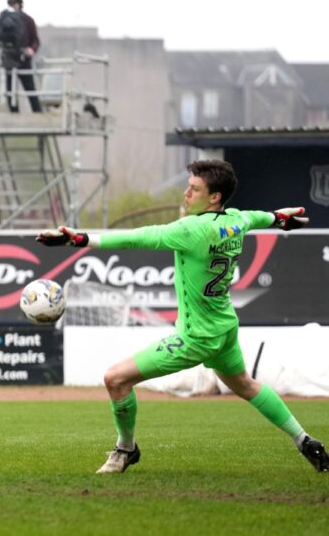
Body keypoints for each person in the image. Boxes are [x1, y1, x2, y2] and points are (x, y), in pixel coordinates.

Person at [36, 159, 329, 474]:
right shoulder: (236, 220)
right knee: (245, 384)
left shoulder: (191, 230)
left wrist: (77, 239)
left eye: (195, 189)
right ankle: (305, 441)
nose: (186, 194)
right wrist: (278, 218)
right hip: (225, 328)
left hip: (197, 338)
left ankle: (125, 449)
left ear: (214, 197)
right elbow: (257, 217)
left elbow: (136, 237)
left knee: (115, 379)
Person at [0, 0, 42, 113]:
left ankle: (38, 113)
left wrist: (31, 50)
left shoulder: (28, 20)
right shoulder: (5, 20)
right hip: (9, 58)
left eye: (14, 4)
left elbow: (35, 40)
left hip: (23, 60)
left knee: (29, 88)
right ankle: (14, 114)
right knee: (10, 90)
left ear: (19, 5)